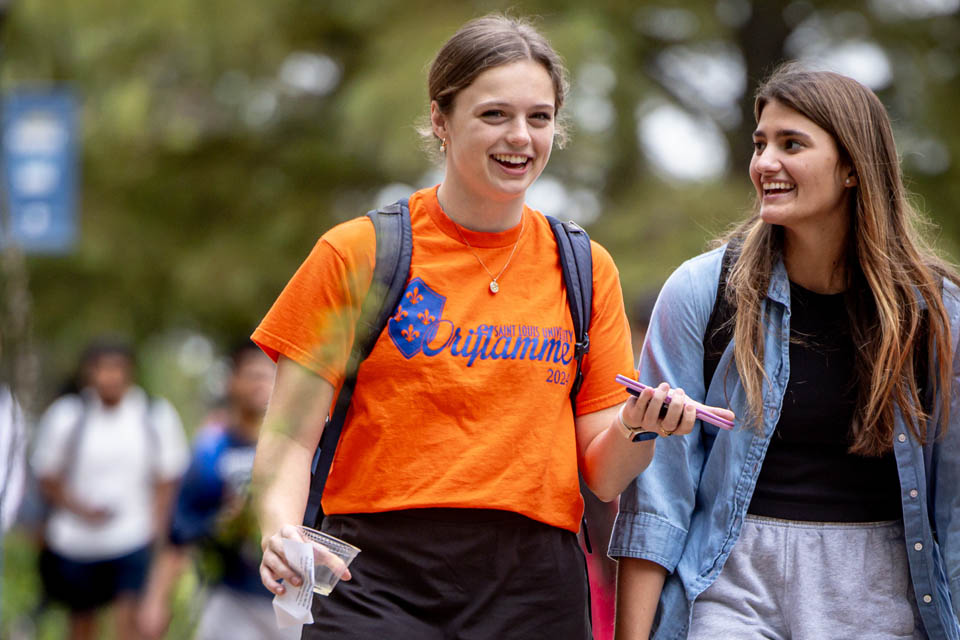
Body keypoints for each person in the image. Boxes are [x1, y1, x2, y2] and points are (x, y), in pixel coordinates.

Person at [250, 14, 733, 639]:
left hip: (533, 587)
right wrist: (280, 531)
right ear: (441, 121)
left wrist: (640, 429)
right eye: (494, 115)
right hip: (374, 581)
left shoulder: (584, 267)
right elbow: (289, 438)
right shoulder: (359, 253)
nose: (521, 137)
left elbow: (605, 474)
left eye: (540, 117)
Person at [611, 63, 960, 640]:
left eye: (791, 143)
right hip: (732, 579)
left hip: (880, 589)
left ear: (851, 166)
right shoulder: (703, 291)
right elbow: (657, 499)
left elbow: (953, 507)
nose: (764, 162)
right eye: (760, 143)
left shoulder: (936, 313)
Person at [137, 342, 298, 640]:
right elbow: (180, 532)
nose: (262, 383)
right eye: (252, 375)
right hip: (230, 596)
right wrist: (157, 600)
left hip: (292, 599)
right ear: (232, 381)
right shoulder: (211, 452)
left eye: (269, 375)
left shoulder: (298, 450)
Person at [30, 339, 189, 640]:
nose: (109, 377)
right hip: (75, 542)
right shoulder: (67, 415)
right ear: (88, 373)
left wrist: (158, 530)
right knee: (81, 624)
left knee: (130, 622)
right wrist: (79, 509)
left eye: (116, 368)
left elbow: (168, 480)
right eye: (102, 369)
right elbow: (47, 475)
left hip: (133, 537)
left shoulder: (153, 414)